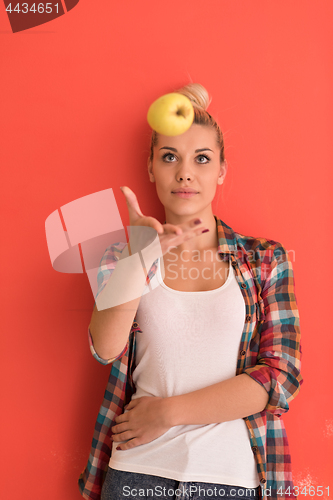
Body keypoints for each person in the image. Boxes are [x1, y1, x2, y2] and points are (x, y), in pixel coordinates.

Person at [78, 83, 303, 500]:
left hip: (233, 477)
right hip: (137, 473)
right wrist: (138, 260)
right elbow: (103, 348)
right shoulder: (124, 253)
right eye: (169, 158)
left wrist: (167, 412)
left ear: (221, 170)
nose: (185, 172)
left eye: (202, 159)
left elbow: (280, 377)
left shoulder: (266, 260)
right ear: (150, 168)